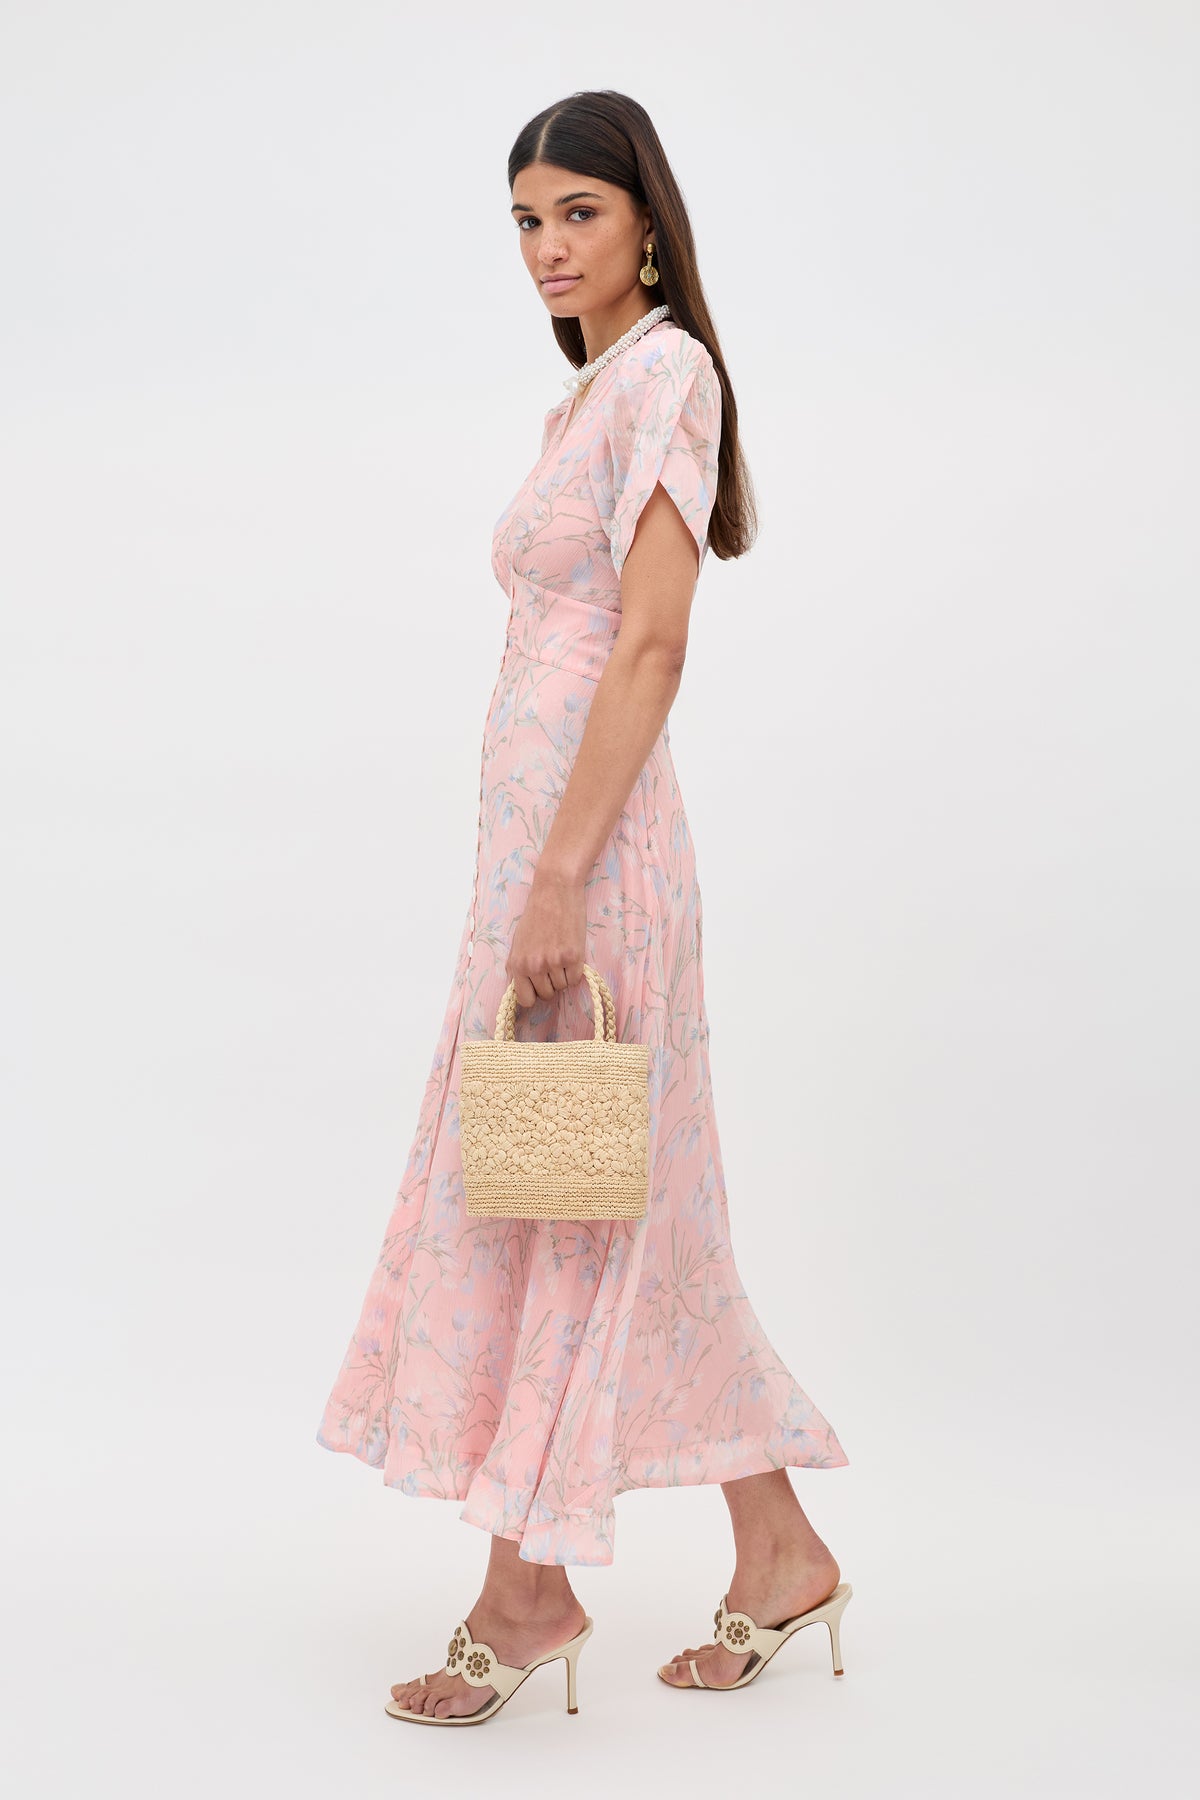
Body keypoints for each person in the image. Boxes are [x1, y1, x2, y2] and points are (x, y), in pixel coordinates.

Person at [316, 88, 853, 1726]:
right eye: (527, 224)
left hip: (594, 866)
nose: (550, 250)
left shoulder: (670, 371)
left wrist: (559, 873)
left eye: (578, 216)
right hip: (541, 865)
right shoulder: (597, 396)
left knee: (569, 1207)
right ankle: (779, 1556)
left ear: (647, 221)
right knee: (630, 1206)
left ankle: (528, 1591)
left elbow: (652, 644)